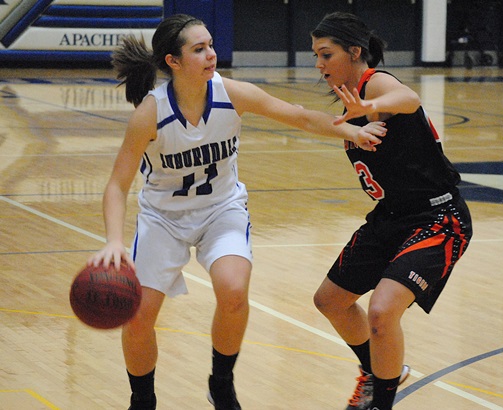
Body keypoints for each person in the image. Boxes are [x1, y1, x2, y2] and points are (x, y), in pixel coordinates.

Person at [87, 14, 386, 410]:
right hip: (164, 218)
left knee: (232, 290)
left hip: (221, 210)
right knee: (139, 317)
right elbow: (116, 185)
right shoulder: (150, 113)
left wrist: (351, 130)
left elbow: (298, 115)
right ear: (173, 62)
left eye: (210, 45)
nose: (211, 54)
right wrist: (113, 241)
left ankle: (221, 383)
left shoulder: (232, 93)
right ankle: (142, 399)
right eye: (199, 49)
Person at [311, 12, 473, 410]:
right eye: (316, 55)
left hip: (439, 217)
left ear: (355, 52)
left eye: (326, 54)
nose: (319, 64)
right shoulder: (351, 100)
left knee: (382, 312)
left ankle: (381, 401)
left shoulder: (374, 83)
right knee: (330, 300)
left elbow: (409, 98)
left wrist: (370, 104)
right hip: (391, 216)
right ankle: (378, 371)